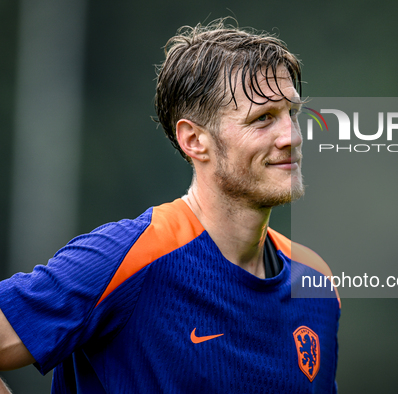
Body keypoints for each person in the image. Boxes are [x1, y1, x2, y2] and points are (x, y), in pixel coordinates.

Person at [0, 19, 340, 393]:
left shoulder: (315, 281)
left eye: (291, 113)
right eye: (263, 119)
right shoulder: (126, 257)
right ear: (195, 140)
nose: (291, 136)